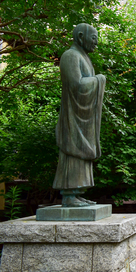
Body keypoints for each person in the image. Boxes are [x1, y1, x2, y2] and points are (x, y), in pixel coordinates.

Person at [54, 23, 106, 207]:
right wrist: (99, 80)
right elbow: (76, 87)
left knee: (81, 157)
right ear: (81, 36)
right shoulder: (70, 56)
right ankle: (68, 196)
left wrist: (97, 79)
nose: (96, 43)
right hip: (72, 120)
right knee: (72, 154)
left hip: (82, 122)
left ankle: (76, 192)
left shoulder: (83, 57)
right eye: (93, 38)